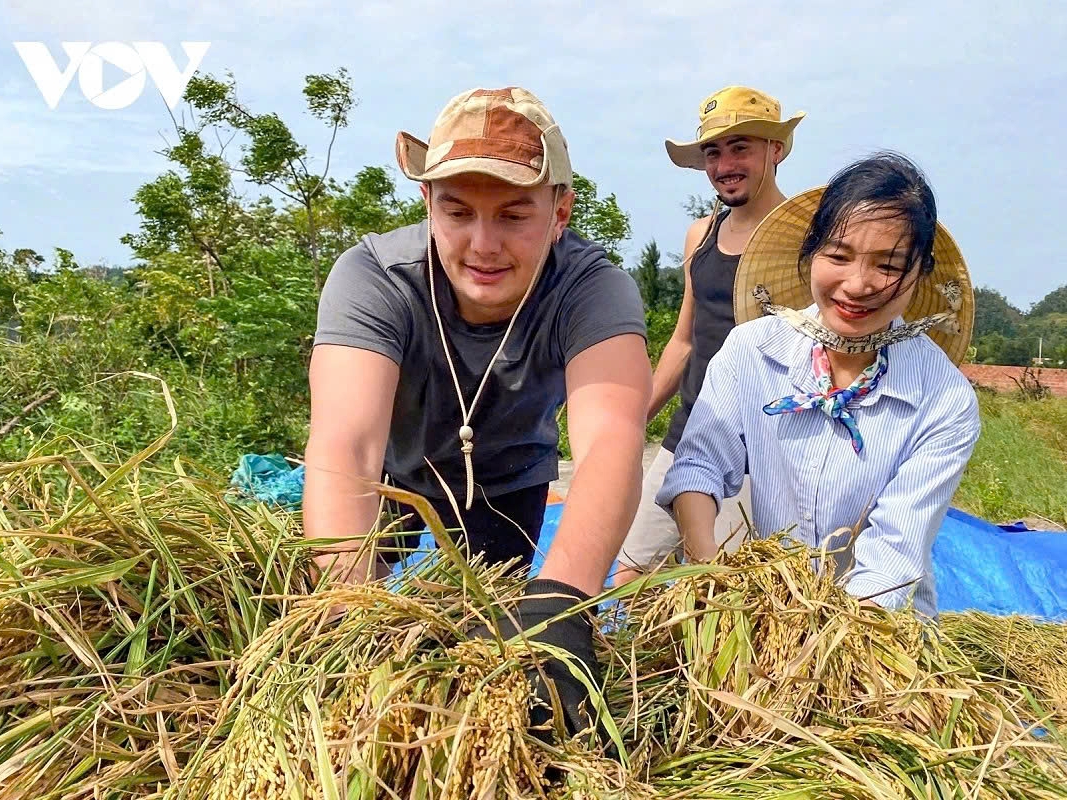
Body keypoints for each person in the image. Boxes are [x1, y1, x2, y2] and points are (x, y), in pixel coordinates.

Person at [303, 86, 652, 736]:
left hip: (508, 488)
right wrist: (349, 613)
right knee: (344, 635)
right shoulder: (375, 278)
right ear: (427, 202)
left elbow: (611, 439)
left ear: (560, 211)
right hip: (394, 481)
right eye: (458, 212)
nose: (483, 244)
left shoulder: (592, 290)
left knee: (502, 656)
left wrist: (563, 602)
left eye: (514, 215)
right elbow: (346, 445)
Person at [656, 152, 981, 619]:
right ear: (810, 252)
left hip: (881, 635)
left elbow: (893, 556)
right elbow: (698, 466)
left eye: (888, 266)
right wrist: (708, 571)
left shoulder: (942, 400)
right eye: (838, 256)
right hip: (766, 613)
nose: (857, 284)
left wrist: (818, 643)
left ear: (920, 272)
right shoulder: (752, 351)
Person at [615, 86, 806, 582]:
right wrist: (633, 421)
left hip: (757, 450)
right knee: (633, 572)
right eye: (713, 152)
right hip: (688, 433)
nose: (724, 164)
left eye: (740, 147)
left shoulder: (807, 242)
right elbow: (684, 341)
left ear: (776, 150)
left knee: (724, 592)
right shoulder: (701, 234)